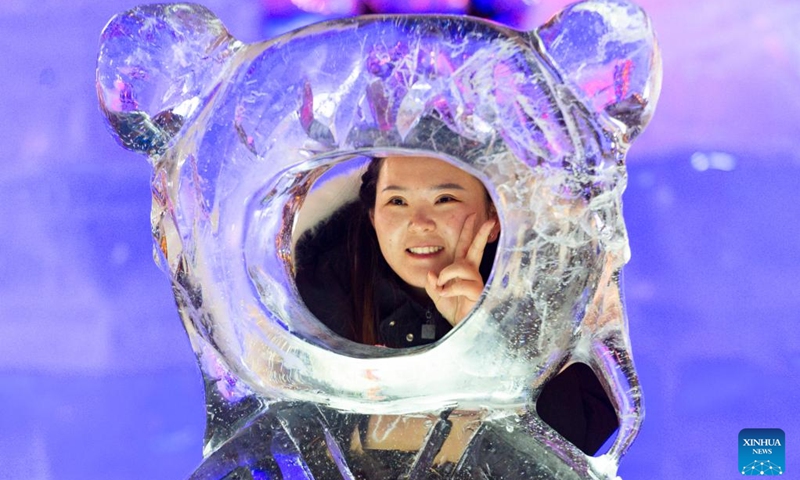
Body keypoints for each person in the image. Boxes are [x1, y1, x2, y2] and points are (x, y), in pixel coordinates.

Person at [294, 154, 617, 458]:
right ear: (373, 218)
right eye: (397, 201)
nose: (420, 223)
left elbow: (576, 443)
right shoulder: (317, 297)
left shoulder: (546, 291)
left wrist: (485, 337)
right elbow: (295, 436)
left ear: (494, 216)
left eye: (445, 199)